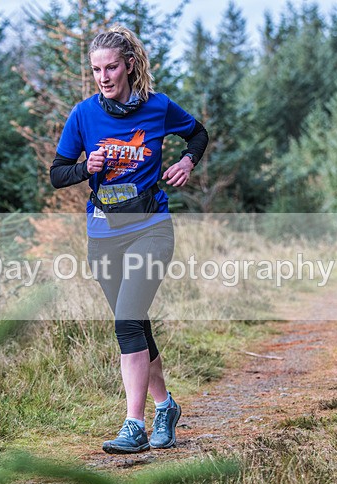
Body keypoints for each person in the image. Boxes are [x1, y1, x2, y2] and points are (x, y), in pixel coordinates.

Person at [49, 25, 208, 454]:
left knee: (125, 322)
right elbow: (57, 174)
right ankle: (165, 407)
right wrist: (87, 166)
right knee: (134, 323)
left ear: (129, 65)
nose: (104, 76)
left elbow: (198, 133)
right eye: (97, 69)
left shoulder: (158, 108)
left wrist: (187, 161)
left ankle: (132, 425)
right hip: (103, 235)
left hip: (151, 229)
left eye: (112, 67)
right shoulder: (84, 115)